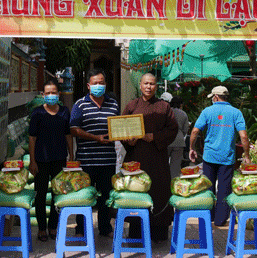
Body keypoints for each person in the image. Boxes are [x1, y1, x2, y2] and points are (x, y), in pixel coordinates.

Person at [122, 73, 178, 243]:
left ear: (156, 86)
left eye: (152, 84)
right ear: (140, 85)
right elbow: (122, 128)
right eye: (146, 83)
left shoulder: (164, 107)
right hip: (136, 158)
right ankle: (136, 232)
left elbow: (173, 129)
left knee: (158, 192)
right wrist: (128, 140)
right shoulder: (132, 106)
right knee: (136, 192)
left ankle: (159, 233)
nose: (148, 87)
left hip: (157, 158)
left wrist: (154, 137)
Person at [189, 85, 251, 227]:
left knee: (208, 187)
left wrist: (191, 148)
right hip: (227, 158)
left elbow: (194, 131)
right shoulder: (236, 113)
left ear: (215, 97)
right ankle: (220, 219)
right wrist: (246, 155)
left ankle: (208, 216)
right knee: (224, 189)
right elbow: (244, 136)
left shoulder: (207, 111)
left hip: (209, 157)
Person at [70, 68, 120, 238]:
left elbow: (118, 126)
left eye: (101, 82)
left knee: (106, 196)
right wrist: (95, 138)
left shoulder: (113, 104)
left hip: (107, 159)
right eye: (95, 83)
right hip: (86, 160)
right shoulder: (80, 104)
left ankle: (105, 227)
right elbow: (74, 129)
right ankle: (81, 227)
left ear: (106, 84)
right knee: (84, 195)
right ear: (88, 85)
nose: (98, 85)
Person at [28, 80, 74, 242]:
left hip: (60, 159)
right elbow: (32, 138)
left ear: (59, 94)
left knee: (58, 194)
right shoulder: (37, 113)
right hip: (41, 160)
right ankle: (41, 229)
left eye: (54, 92)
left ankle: (53, 226)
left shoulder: (64, 112)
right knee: (40, 195)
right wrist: (32, 161)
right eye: (47, 93)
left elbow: (68, 135)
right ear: (43, 95)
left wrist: (72, 157)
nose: (51, 95)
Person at [162, 94, 189, 179]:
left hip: (166, 140)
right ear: (180, 104)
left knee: (163, 163)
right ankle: (173, 184)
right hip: (179, 141)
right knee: (175, 166)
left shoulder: (166, 112)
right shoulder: (183, 114)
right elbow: (185, 130)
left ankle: (163, 181)